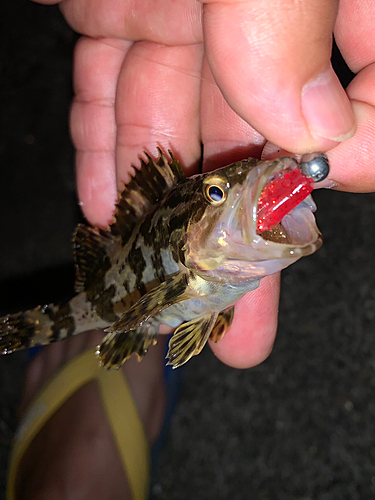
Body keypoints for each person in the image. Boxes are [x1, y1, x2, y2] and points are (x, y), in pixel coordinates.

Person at [11, 0, 375, 499]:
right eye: (219, 193)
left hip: (170, 290)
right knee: (142, 328)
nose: (239, 191)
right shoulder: (191, 272)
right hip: (135, 295)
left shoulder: (214, 263)